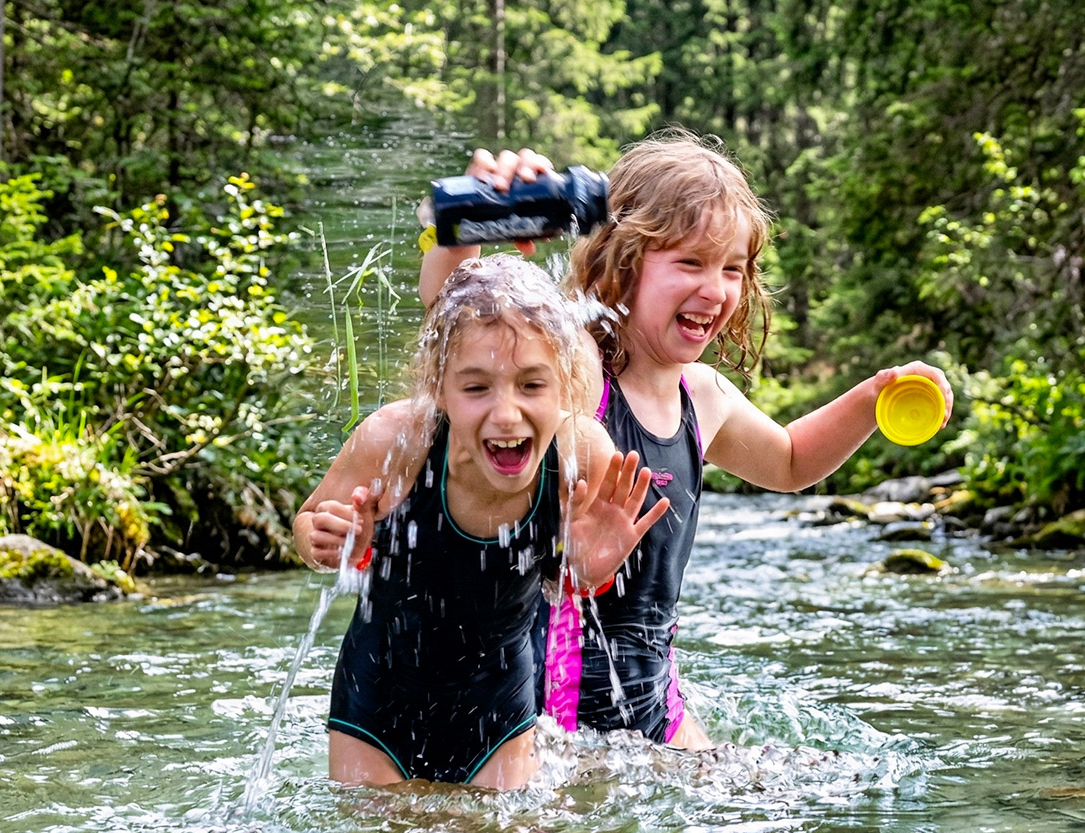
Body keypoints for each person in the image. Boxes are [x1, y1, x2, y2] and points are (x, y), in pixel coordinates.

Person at [418, 133, 953, 750]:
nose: (717, 289)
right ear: (623, 263)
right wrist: (465, 227)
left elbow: (789, 461)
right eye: (691, 263)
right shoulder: (575, 368)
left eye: (732, 268)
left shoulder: (703, 395)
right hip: (547, 719)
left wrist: (870, 399)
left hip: (657, 710)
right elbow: (454, 314)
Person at [292, 254, 670, 790]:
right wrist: (324, 539)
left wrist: (586, 574)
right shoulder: (396, 443)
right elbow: (307, 524)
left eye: (532, 386)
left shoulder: (579, 453)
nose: (506, 413)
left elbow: (572, 588)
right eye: (476, 389)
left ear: (565, 385)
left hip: (499, 709)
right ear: (439, 388)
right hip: (376, 703)